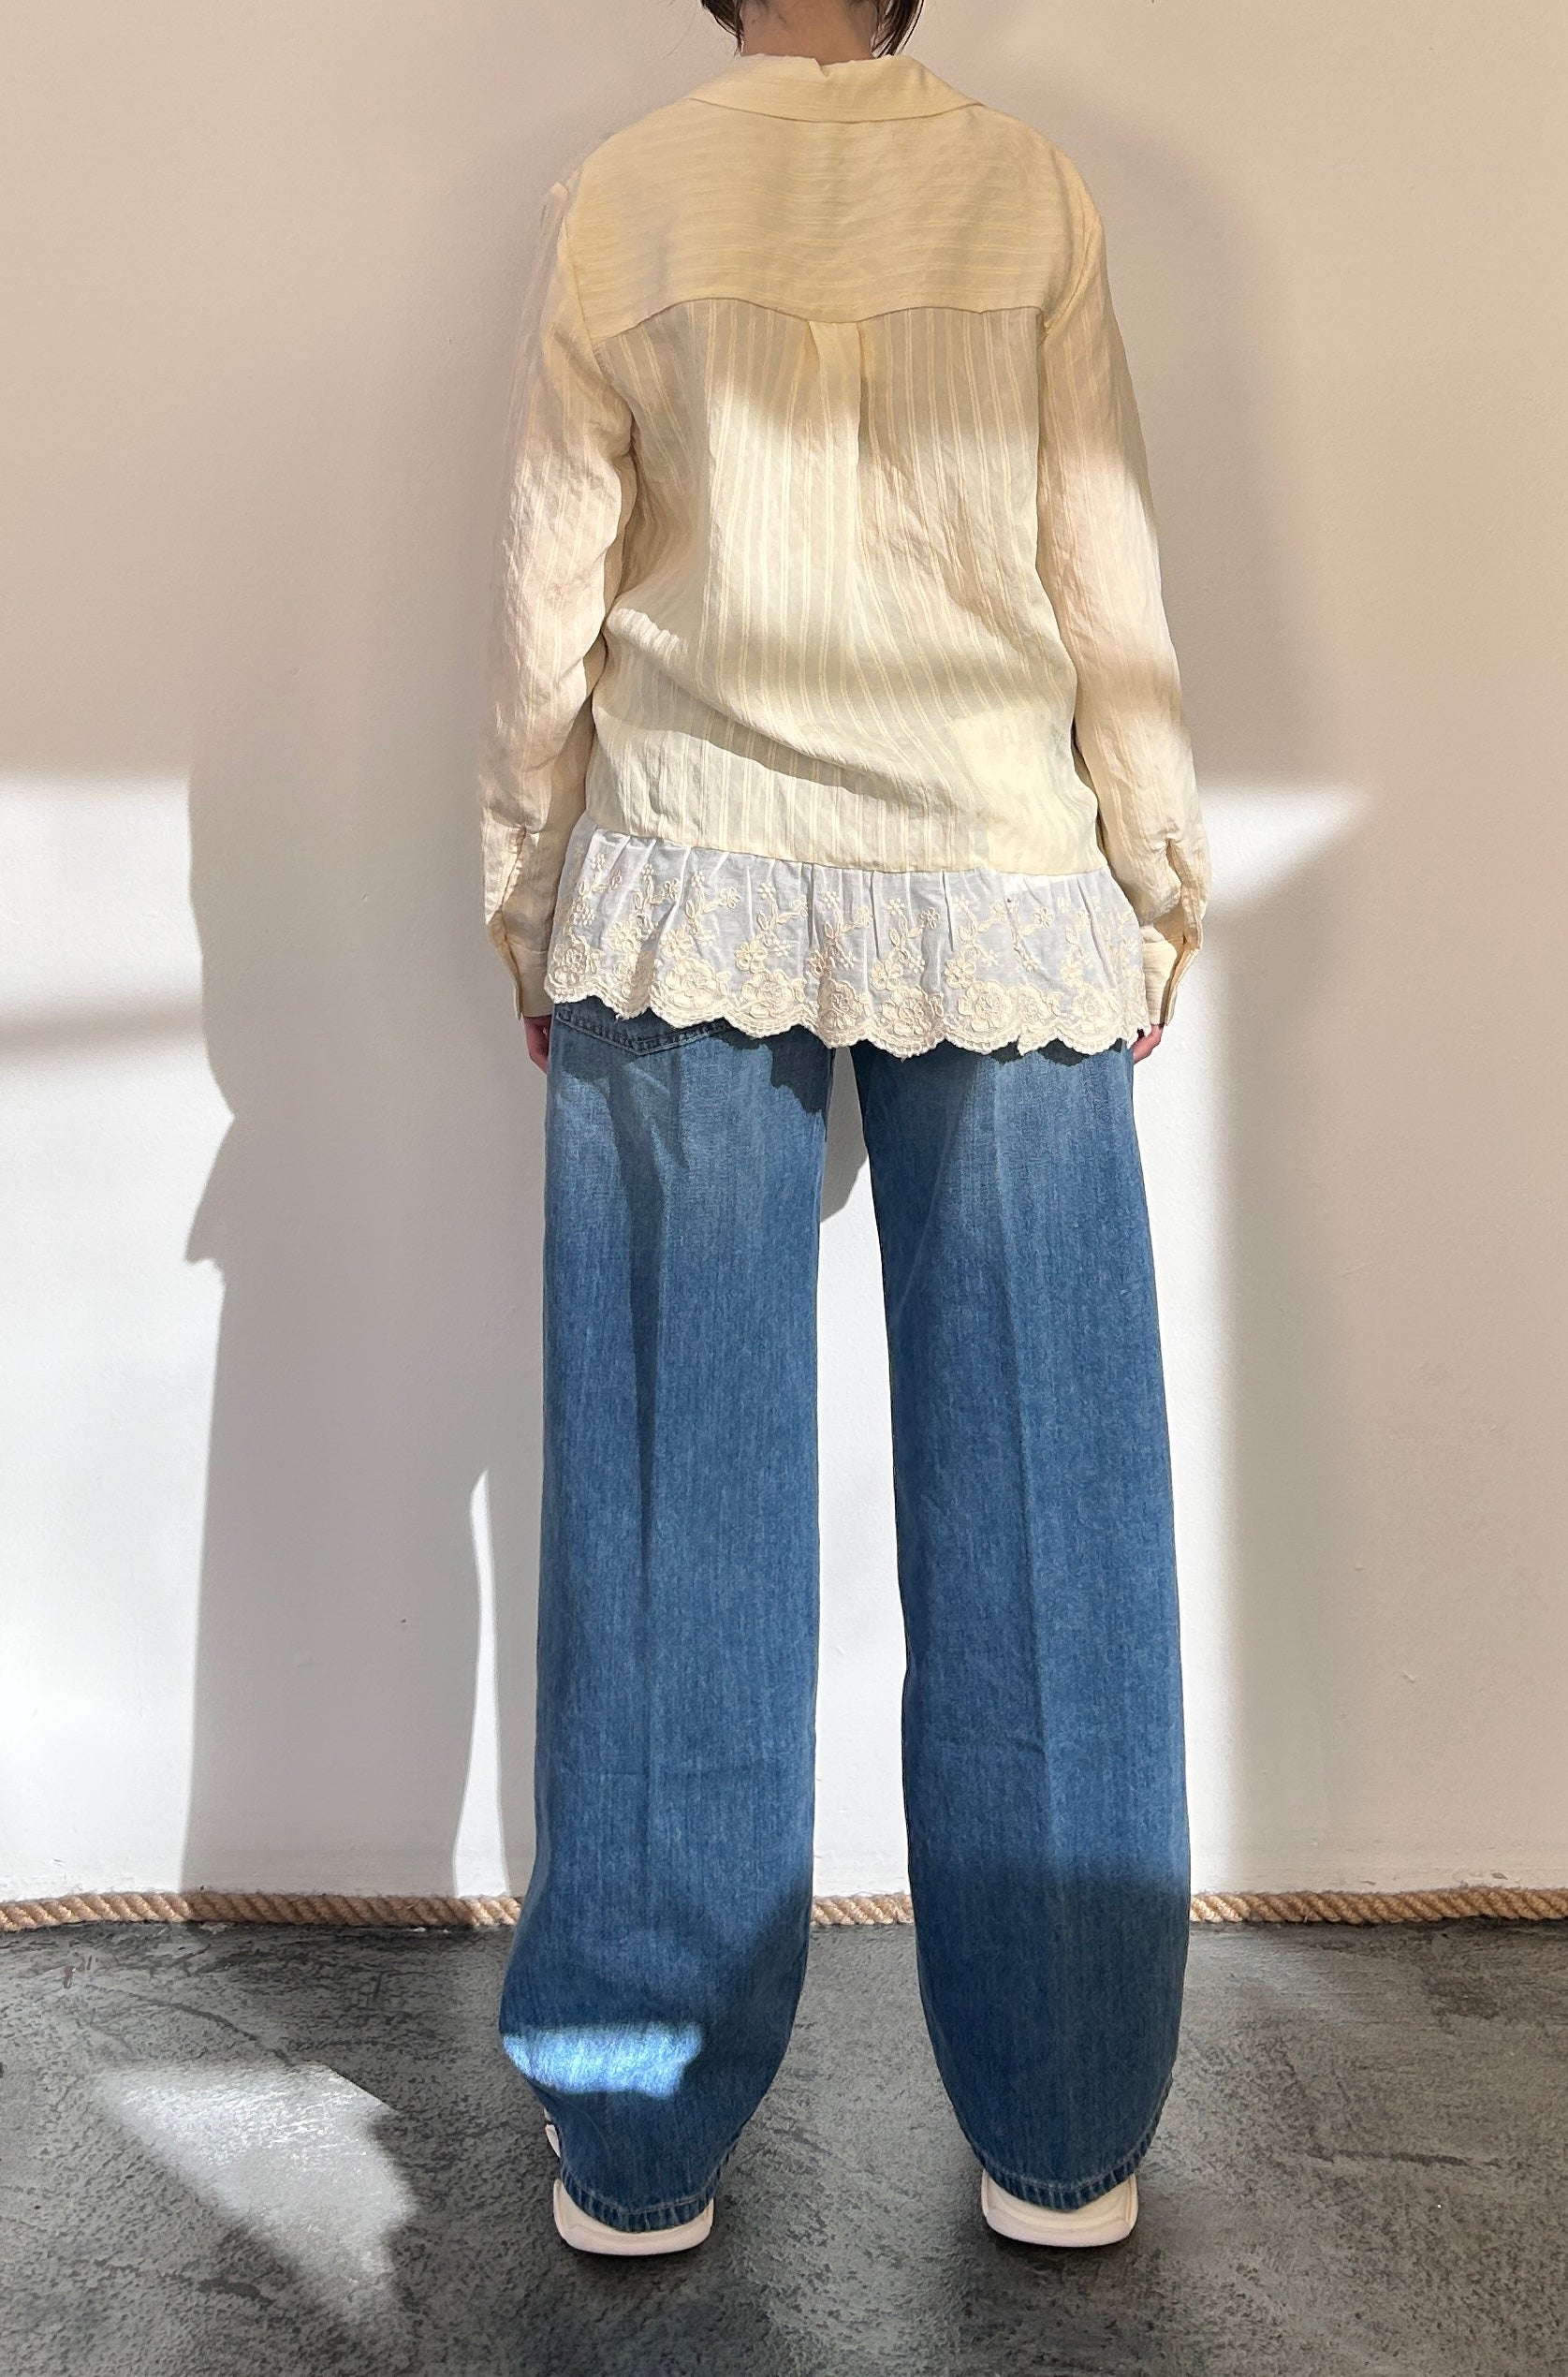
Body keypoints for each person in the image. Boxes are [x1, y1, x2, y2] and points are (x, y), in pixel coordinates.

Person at [477, 0, 1209, 2258]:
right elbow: (1106, 580)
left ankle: (635, 2140)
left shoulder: (629, 196)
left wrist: (527, 885)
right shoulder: (1025, 193)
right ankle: (1067, 2125)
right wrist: (1152, 885)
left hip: (684, 861)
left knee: (663, 1511)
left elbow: (551, 594)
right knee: (1050, 1501)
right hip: (997, 869)